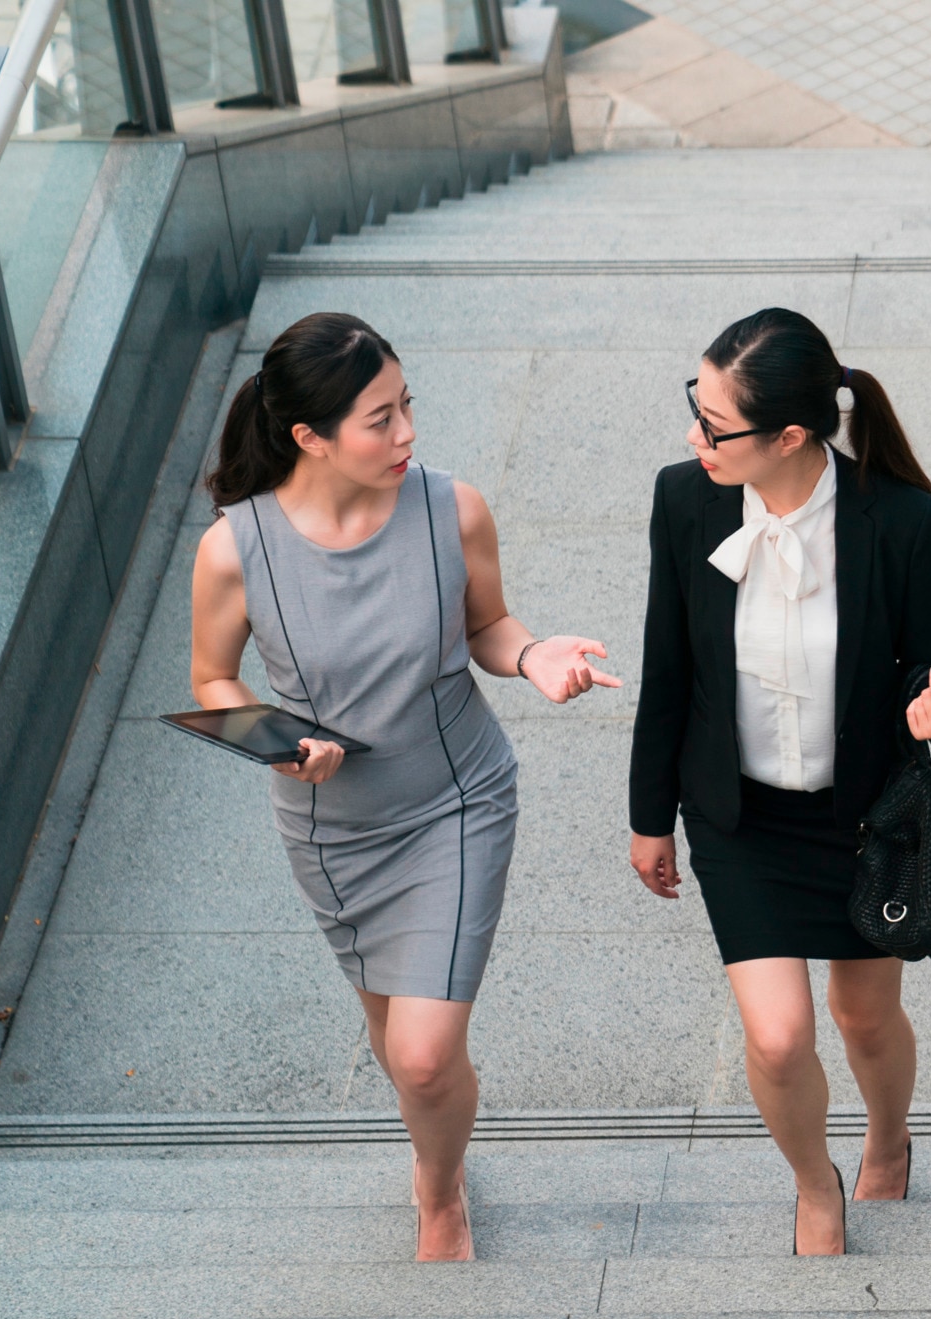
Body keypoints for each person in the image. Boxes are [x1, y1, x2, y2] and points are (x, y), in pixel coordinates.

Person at [191, 311, 618, 1263]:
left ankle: (439, 1191)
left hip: (456, 802)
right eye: (380, 420)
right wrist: (280, 741)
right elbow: (213, 683)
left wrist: (536, 654)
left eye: (407, 407)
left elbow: (489, 625)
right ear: (309, 437)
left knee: (422, 1056)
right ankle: (441, 1140)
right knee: (396, 1037)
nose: (407, 434)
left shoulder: (449, 509)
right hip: (332, 832)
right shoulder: (235, 549)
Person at [628, 308, 931, 1258]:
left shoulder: (894, 514)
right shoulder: (685, 500)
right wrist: (649, 816)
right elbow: (668, 665)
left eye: (714, 425)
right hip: (741, 819)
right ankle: (812, 1183)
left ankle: (887, 1137)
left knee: (864, 1015)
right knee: (781, 1038)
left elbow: (928, 651)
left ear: (789, 436)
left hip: (868, 816)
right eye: (695, 409)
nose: (694, 438)